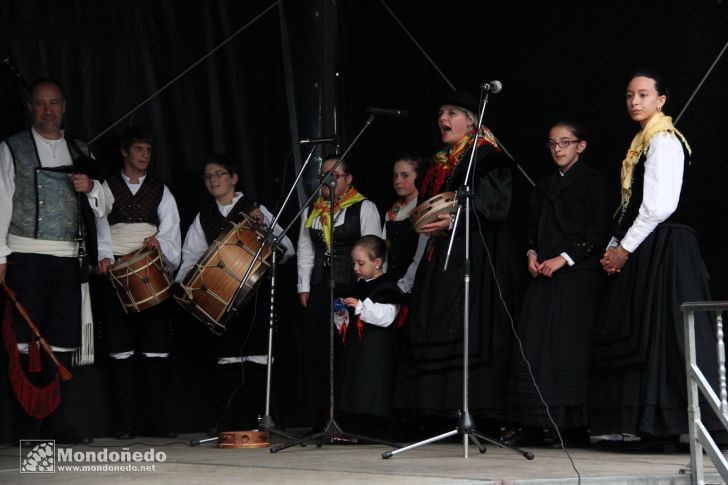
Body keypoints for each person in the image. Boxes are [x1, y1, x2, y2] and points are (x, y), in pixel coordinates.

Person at [591, 70, 720, 444]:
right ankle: (651, 425)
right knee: (648, 334)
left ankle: (688, 424)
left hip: (667, 247)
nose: (634, 101)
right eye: (630, 95)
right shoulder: (641, 144)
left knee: (668, 334)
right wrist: (614, 243)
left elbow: (659, 206)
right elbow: (632, 205)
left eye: (643, 95)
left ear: (660, 101)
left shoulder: (664, 140)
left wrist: (623, 249)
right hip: (650, 244)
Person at [398, 91, 522, 429]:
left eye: (452, 111)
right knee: (435, 320)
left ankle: (478, 412)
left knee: (472, 325)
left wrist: (456, 220)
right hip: (442, 253)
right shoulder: (440, 162)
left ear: (470, 120)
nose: (443, 118)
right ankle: (438, 412)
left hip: (479, 253)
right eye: (441, 111)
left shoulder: (487, 156)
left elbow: (497, 205)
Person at [0, 78, 113, 443]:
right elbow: (1, 200)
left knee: (62, 341)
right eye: (39, 103)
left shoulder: (82, 151)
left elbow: (105, 205)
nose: (47, 110)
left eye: (53, 103)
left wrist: (91, 187)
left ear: (63, 106)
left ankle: (56, 423)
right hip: (24, 257)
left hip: (68, 260)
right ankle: (24, 424)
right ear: (31, 107)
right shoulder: (11, 147)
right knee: (24, 341)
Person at [504, 121, 608, 447]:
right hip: (543, 273)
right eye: (553, 144)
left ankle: (573, 426)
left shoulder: (593, 182)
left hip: (576, 276)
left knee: (568, 349)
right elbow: (531, 228)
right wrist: (532, 253)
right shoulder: (544, 185)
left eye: (565, 143)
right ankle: (532, 422)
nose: (558, 149)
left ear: (581, 145)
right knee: (533, 345)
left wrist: (564, 258)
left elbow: (597, 231)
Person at [176, 154, 294, 432]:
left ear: (234, 178)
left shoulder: (255, 209)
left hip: (256, 296)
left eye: (219, 174)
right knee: (229, 359)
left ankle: (260, 421)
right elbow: (189, 260)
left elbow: (287, 249)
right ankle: (233, 422)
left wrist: (262, 226)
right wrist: (188, 287)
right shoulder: (203, 217)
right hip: (222, 300)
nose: (214, 180)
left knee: (257, 357)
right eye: (208, 176)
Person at [96, 126, 181, 439]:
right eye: (138, 149)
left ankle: (156, 422)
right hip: (117, 273)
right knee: (120, 350)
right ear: (124, 152)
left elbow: (171, 230)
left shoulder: (161, 190)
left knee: (156, 349)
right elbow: (100, 226)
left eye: (148, 150)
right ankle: (126, 424)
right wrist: (104, 256)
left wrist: (161, 246)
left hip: (151, 273)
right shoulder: (106, 187)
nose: (144, 155)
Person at [297, 154, 382, 430]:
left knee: (347, 349)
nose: (328, 180)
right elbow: (305, 250)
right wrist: (304, 286)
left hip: (351, 287)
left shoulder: (364, 207)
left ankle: (349, 417)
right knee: (318, 350)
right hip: (322, 286)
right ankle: (321, 416)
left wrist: (369, 288)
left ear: (348, 179)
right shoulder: (314, 210)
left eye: (334, 175)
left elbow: (374, 251)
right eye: (323, 175)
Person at [334, 235, 405, 438]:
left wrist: (361, 307)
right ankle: (352, 427)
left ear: (377, 262)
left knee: (372, 387)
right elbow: (345, 322)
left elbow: (387, 317)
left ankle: (374, 428)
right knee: (353, 384)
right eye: (354, 263)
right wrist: (341, 313)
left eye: (361, 263)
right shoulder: (357, 285)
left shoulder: (388, 287)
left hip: (377, 348)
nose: (356, 268)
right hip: (357, 346)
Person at [382, 153, 423, 282]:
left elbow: (421, 255)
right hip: (391, 282)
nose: (398, 181)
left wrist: (405, 284)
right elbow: (384, 254)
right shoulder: (392, 212)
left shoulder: (423, 209)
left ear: (419, 177)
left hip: (415, 281)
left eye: (405, 176)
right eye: (395, 176)